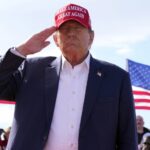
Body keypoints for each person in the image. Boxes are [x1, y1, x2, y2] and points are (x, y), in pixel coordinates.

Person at [0, 3, 138, 150]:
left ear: (91, 37)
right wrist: (22, 51)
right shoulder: (30, 70)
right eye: (65, 29)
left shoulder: (116, 78)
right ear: (56, 39)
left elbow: (127, 137)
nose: (71, 33)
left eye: (78, 28)